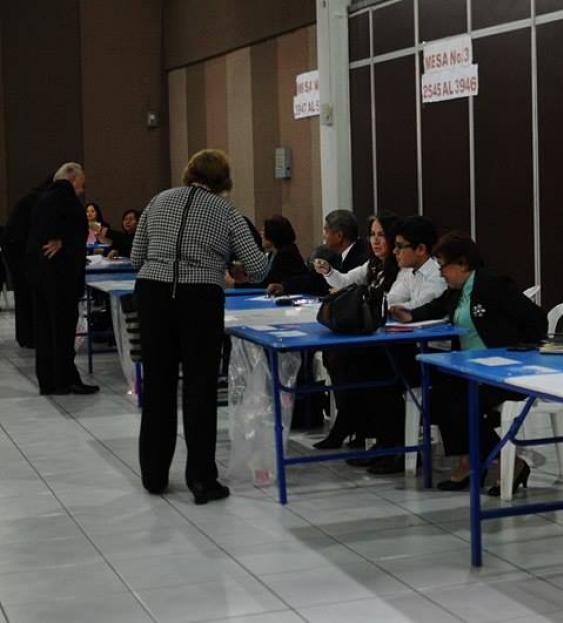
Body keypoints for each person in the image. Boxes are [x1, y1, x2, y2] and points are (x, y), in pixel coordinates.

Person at [131, 149, 268, 505]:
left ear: (189, 172)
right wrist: (231, 266)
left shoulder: (157, 201)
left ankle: (154, 475)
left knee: (158, 383)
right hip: (199, 297)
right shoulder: (227, 212)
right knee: (199, 387)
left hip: (153, 294)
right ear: (224, 181)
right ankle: (202, 480)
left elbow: (135, 257)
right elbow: (258, 267)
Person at [389, 232, 547, 493]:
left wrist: (518, 352)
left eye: (444, 267)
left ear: (462, 263)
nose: (441, 274)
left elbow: (535, 320)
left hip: (502, 372)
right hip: (471, 370)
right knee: (437, 395)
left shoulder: (492, 285)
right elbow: (435, 308)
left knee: (458, 401)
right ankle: (475, 458)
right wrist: (409, 315)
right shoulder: (457, 292)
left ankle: (501, 462)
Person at [310, 213, 406, 474]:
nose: (376, 241)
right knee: (344, 360)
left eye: (381, 235)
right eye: (372, 235)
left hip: (400, 344)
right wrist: (329, 271)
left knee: (360, 367)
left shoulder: (402, 269)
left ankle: (384, 442)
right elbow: (345, 280)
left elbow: (398, 305)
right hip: (379, 341)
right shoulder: (372, 265)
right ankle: (366, 433)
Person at [25, 163, 99, 395]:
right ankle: (65, 379)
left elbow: (40, 233)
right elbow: (74, 231)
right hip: (61, 277)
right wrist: (65, 242)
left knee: (45, 329)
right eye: (81, 182)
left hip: (40, 274)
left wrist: (58, 240)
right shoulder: (65, 198)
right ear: (71, 178)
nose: (82, 188)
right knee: (63, 329)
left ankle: (49, 381)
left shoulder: (42, 198)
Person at [1, 175, 52, 348]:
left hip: (15, 248)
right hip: (19, 251)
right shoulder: (40, 200)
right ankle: (30, 337)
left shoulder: (33, 197)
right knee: (28, 293)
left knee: (23, 294)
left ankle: (26, 336)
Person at [271, 209, 369, 297]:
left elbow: (353, 288)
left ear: (339, 236)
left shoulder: (363, 257)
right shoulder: (332, 255)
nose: (324, 236)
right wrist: (284, 286)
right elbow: (313, 280)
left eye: (326, 231)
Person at [387, 215, 448, 307]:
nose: (394, 251)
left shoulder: (438, 275)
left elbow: (419, 308)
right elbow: (391, 300)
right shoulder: (408, 271)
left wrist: (397, 308)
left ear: (421, 249)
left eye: (400, 246)